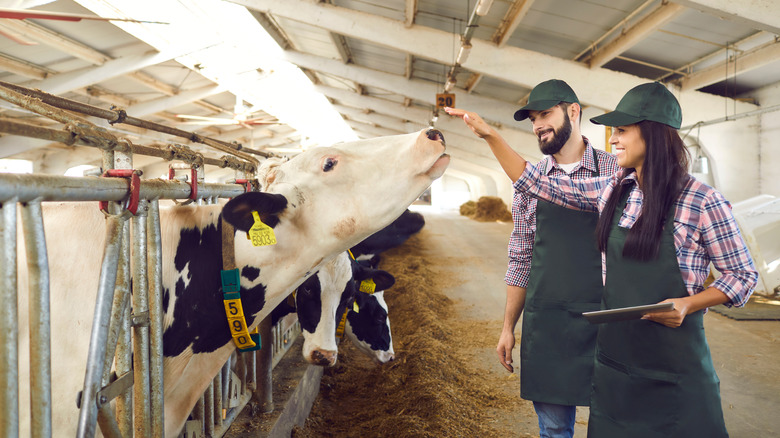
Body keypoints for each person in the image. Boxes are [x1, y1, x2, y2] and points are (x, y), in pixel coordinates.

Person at [446, 82, 758, 437]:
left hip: (673, 362)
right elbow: (538, 185)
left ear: (654, 134)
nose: (614, 139)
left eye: (623, 130)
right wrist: (490, 136)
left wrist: (690, 303)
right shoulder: (615, 188)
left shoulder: (703, 201)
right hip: (617, 357)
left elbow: (743, 277)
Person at [485, 79, 619, 438]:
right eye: (532, 119)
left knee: (614, 423)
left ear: (573, 111)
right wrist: (507, 327)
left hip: (606, 319)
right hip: (549, 325)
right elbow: (521, 258)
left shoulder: (615, 171)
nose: (538, 125)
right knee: (555, 431)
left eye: (546, 113)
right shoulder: (528, 183)